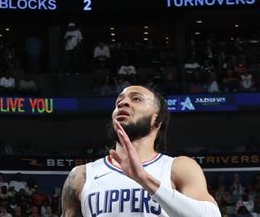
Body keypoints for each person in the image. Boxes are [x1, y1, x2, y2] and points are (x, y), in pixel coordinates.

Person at [61, 84, 219, 217]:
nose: (123, 103)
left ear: (156, 119)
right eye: (119, 101)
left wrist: (143, 179)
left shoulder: (179, 167)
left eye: (136, 99)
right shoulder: (81, 176)